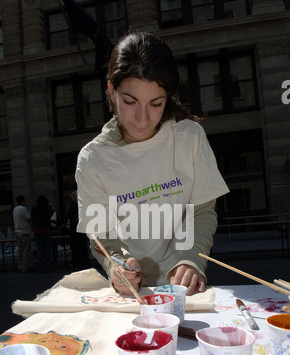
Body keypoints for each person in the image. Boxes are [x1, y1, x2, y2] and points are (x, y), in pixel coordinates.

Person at [76, 32, 229, 295]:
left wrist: (192, 259)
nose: (142, 119)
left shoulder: (189, 136)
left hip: (183, 286)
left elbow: (202, 212)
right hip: (133, 293)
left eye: (155, 104)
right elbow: (101, 236)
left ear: (168, 97)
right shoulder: (93, 159)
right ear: (111, 91)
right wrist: (116, 266)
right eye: (130, 101)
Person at [66, 190, 90, 270]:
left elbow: (68, 215)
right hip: (82, 227)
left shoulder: (72, 204)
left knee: (76, 247)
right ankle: (85, 263)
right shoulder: (82, 204)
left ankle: (77, 263)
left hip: (75, 228)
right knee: (83, 246)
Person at [31, 195, 53, 273]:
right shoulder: (48, 208)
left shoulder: (34, 209)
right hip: (46, 229)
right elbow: (50, 216)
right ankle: (48, 267)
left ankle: (40, 268)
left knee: (39, 249)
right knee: (47, 249)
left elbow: (32, 218)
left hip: (37, 230)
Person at [13, 195, 32, 273]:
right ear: (23, 201)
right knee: (26, 250)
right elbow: (29, 219)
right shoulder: (23, 209)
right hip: (24, 231)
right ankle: (25, 267)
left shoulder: (15, 209)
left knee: (20, 250)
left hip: (17, 231)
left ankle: (20, 266)